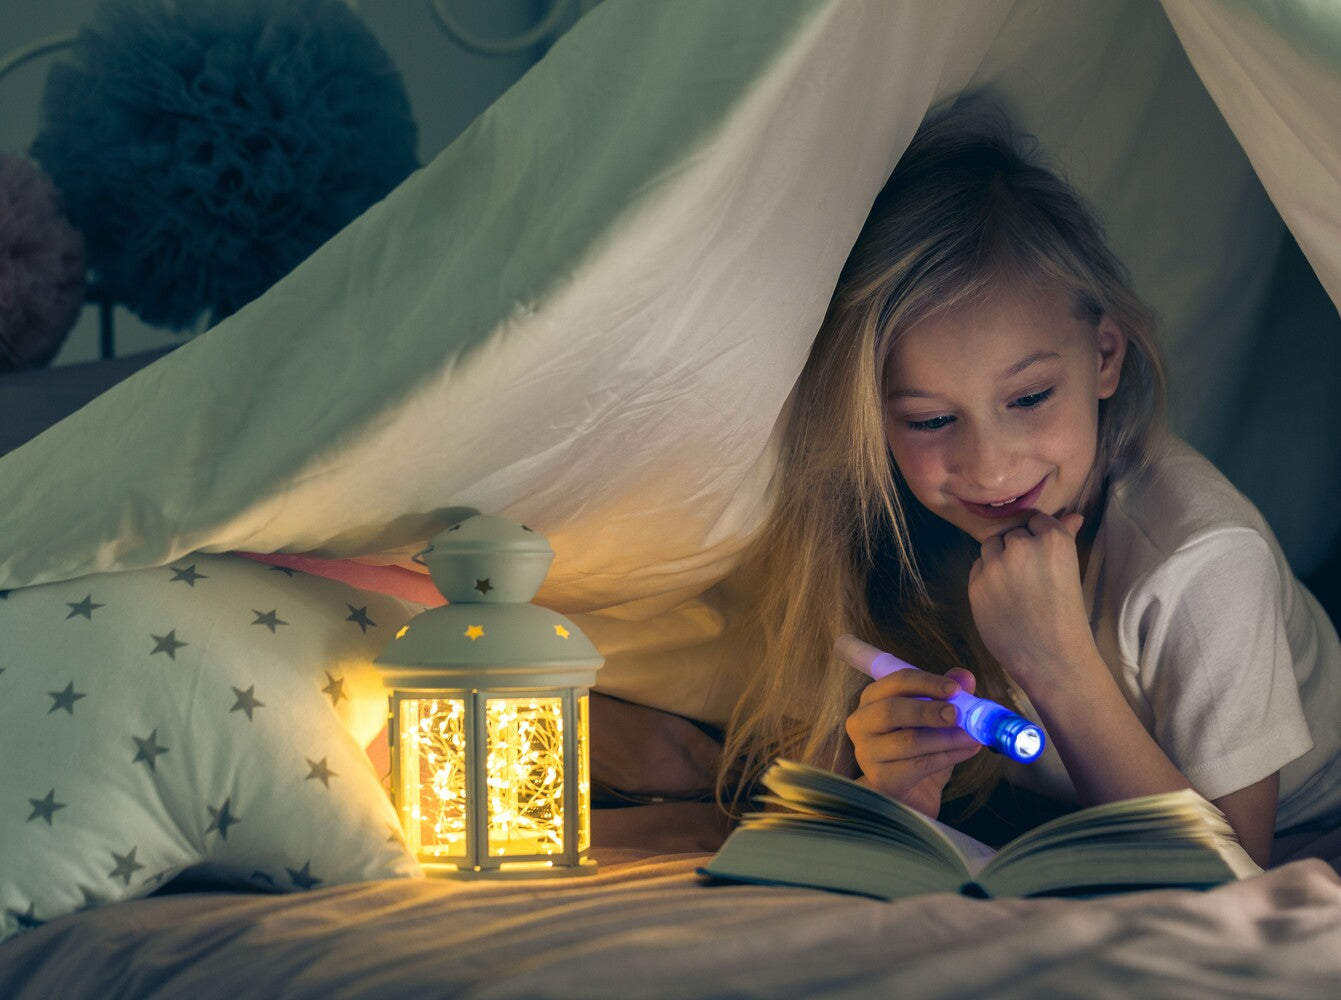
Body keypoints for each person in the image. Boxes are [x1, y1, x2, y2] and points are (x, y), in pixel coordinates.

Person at [719, 100, 1341, 868]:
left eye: (1027, 399)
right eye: (928, 420)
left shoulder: (1204, 562)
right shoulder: (904, 538)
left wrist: (1056, 666)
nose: (988, 468)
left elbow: (1230, 876)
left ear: (1104, 355)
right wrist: (896, 787)